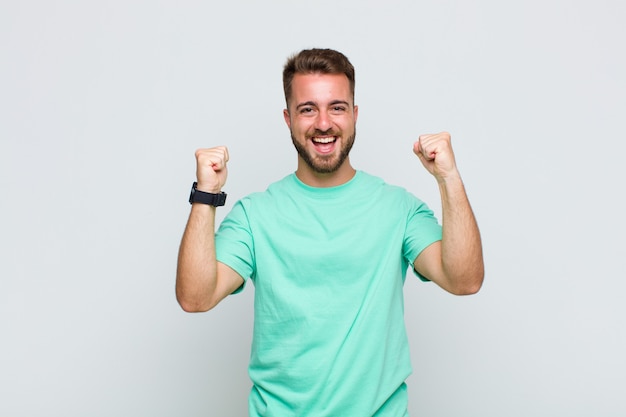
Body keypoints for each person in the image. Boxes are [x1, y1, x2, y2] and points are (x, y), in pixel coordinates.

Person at [176, 48, 484, 416]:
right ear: (288, 119)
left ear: (354, 116)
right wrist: (206, 194)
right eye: (308, 109)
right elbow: (195, 297)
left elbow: (464, 280)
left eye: (337, 107)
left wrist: (449, 178)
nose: (324, 123)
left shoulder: (397, 208)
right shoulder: (255, 215)